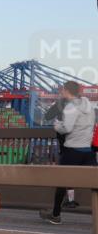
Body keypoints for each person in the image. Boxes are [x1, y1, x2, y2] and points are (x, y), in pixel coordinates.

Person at [40, 82, 96, 224]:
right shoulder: (89, 106)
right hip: (87, 150)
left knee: (61, 182)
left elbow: (67, 128)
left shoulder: (70, 107)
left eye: (62, 90)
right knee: (95, 184)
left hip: (72, 150)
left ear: (66, 91)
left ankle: (55, 215)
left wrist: (57, 125)